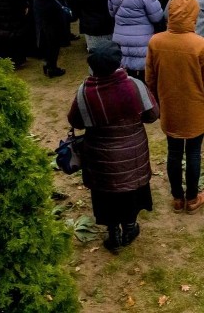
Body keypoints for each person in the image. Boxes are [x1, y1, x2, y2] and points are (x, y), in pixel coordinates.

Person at [68, 41, 159, 251]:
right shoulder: (134, 85)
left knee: (105, 193)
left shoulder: (85, 92)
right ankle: (129, 228)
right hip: (132, 153)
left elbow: (76, 122)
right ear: (118, 62)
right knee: (130, 191)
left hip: (100, 157)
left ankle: (113, 233)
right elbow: (153, 115)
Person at [146, 0, 204, 213]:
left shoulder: (156, 41)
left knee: (174, 151)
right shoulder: (201, 45)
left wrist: (155, 103)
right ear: (193, 15)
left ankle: (177, 198)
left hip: (169, 106)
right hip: (196, 108)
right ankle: (192, 198)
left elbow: (149, 78)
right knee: (194, 152)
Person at [108, 0, 163, 80]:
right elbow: (157, 16)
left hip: (120, 37)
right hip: (142, 40)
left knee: (127, 72)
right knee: (144, 72)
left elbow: (111, 12)